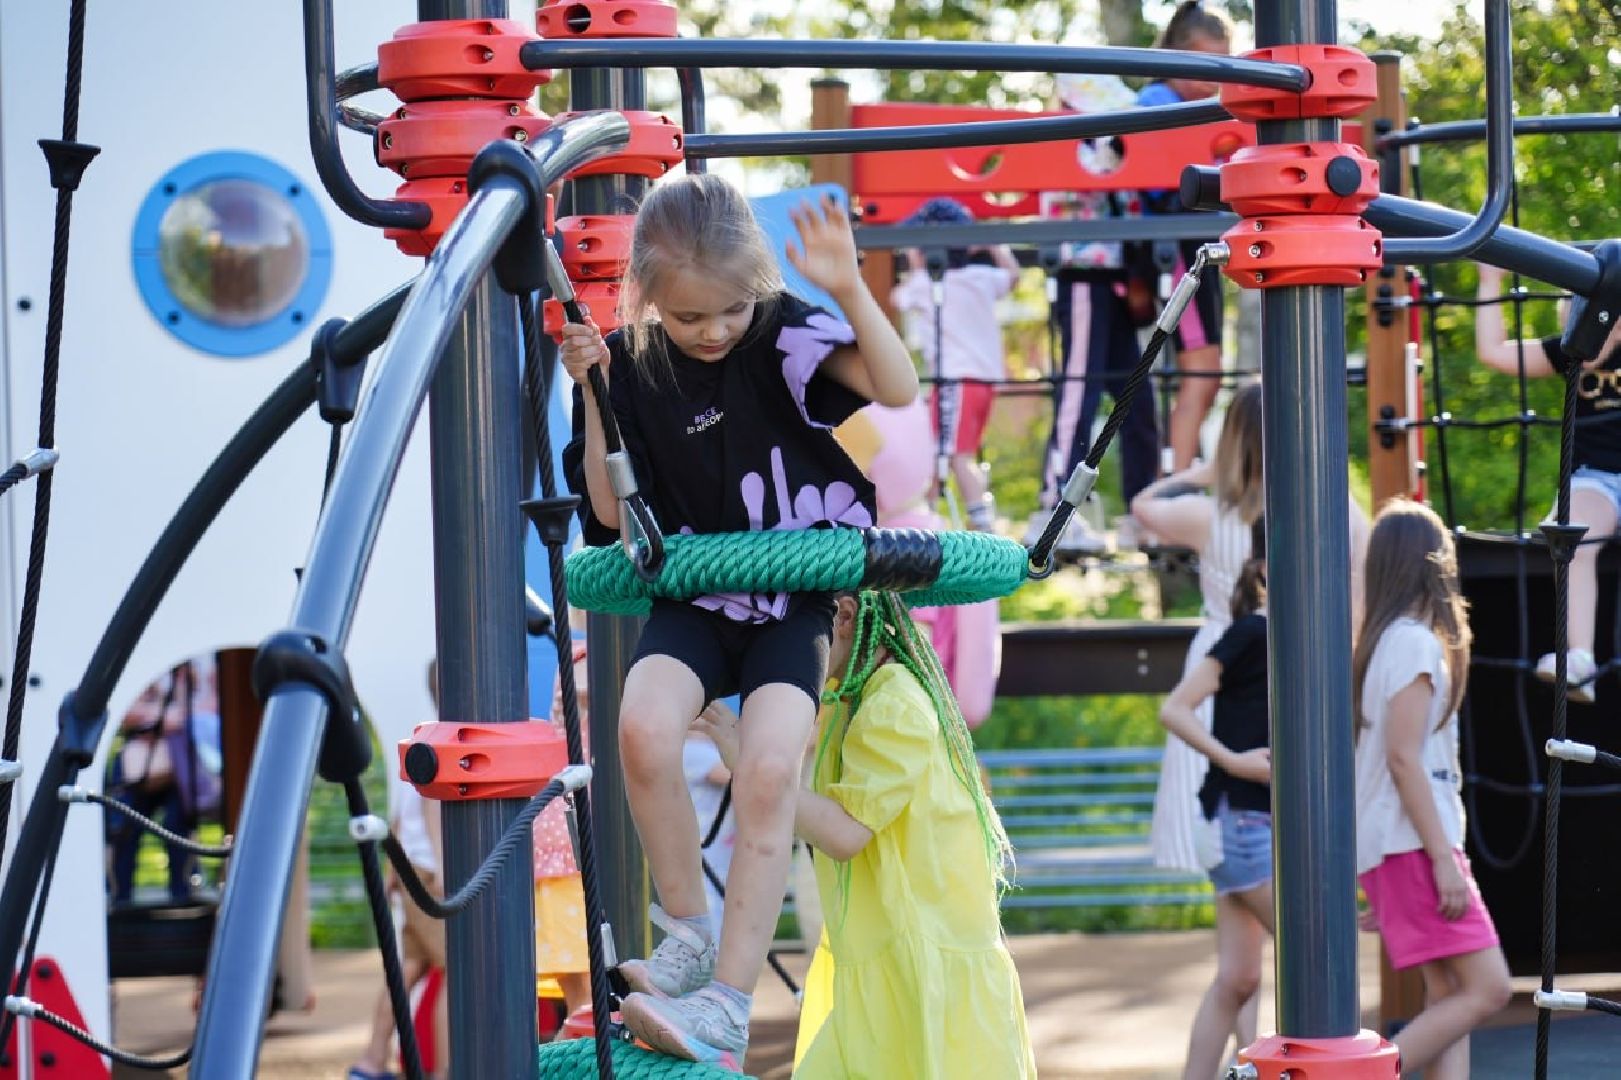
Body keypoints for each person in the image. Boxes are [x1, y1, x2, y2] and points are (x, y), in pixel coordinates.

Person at [560, 173, 917, 1066]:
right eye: (689, 319)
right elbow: (607, 515)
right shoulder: (630, 361)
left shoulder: (778, 330)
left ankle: (727, 998)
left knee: (765, 774)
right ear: (645, 294)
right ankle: (686, 934)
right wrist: (593, 390)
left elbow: (897, 389)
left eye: (728, 309)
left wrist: (846, 287)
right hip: (694, 596)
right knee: (640, 731)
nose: (713, 330)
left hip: (790, 600)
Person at [695, 591, 1034, 1078]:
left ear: (847, 615)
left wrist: (747, 765)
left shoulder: (894, 702)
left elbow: (845, 831)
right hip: (886, 955)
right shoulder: (848, 694)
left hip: (920, 962)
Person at [1353, 499, 1511, 1079]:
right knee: (1489, 988)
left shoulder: (1381, 643)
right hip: (1414, 842)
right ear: (1431, 564)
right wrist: (1442, 860)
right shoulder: (1415, 644)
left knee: (1448, 993)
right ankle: (1362, 1074)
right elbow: (1402, 759)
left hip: (1399, 845)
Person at [1475, 261, 1621, 701]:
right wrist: (1489, 282)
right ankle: (1578, 656)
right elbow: (1494, 351)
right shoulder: (1569, 352)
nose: (1582, 344)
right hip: (1598, 481)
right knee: (1573, 529)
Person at [1158, 527, 1274, 1080]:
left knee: (1238, 979)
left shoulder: (1295, 643)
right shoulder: (1253, 632)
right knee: (1321, 953)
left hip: (1246, 823)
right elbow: (1175, 709)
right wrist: (1235, 761)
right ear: (1267, 572)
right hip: (1240, 822)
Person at [1031, 72, 1159, 555]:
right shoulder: (1064, 137)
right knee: (1078, 392)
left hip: (1116, 278)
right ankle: (1052, 505)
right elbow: (1097, 173)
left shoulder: (1105, 136)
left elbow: (1127, 195)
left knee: (1136, 400)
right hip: (1082, 274)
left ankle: (1141, 507)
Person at [1136, 0, 1235, 472]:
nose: (1209, 79)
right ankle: (1176, 476)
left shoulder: (1210, 110)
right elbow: (1153, 178)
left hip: (1203, 239)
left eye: (1220, 64)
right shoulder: (1159, 102)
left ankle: (1183, 467)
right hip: (1177, 246)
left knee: (1209, 372)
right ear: (1176, 56)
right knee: (1202, 369)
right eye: (1200, 65)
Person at [889, 197, 1020, 531]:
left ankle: (980, 520)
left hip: (956, 379)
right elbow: (1012, 275)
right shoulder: (980, 277)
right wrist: (991, 244)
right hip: (982, 381)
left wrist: (919, 267)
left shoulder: (925, 285)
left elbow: (896, 299)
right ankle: (929, 511)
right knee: (944, 450)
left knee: (951, 454)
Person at [348, 663, 448, 1080]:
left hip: (413, 871)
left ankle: (371, 1061)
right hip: (431, 875)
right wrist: (446, 868)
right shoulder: (449, 741)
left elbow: (399, 815)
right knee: (454, 975)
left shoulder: (423, 738)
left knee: (409, 968)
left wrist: (394, 868)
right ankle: (447, 1069)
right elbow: (431, 808)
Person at [534, 640, 592, 1025]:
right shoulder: (583, 659)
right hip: (567, 856)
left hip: (576, 852)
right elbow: (585, 691)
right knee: (585, 1004)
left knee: (590, 1002)